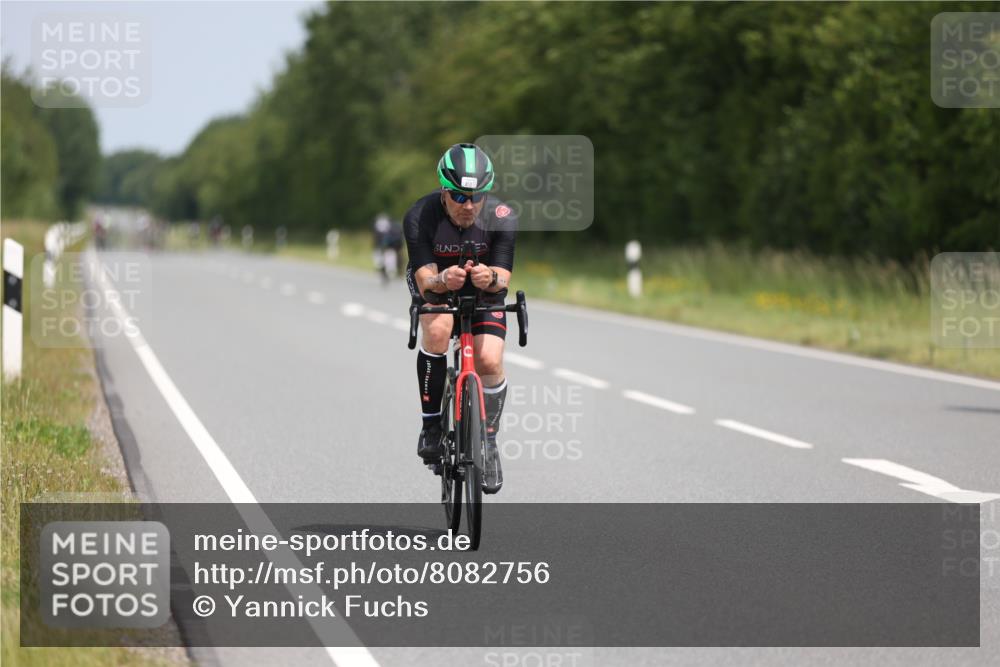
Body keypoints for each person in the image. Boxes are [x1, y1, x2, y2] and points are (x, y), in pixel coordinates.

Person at [403, 143, 517, 494]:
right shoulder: (420, 216)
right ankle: (432, 425)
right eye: (458, 195)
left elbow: (503, 276)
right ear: (443, 190)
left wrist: (490, 279)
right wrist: (442, 279)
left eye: (476, 196)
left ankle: (489, 442)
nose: (468, 205)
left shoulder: (502, 216)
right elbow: (425, 281)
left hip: (484, 288)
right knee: (437, 330)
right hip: (437, 282)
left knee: (488, 359)